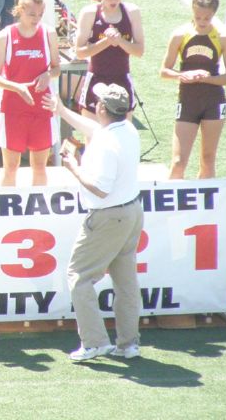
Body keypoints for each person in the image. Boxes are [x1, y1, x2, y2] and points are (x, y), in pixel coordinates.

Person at [44, 83, 144, 362]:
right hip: (132, 212)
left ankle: (95, 342)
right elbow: (92, 129)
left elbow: (100, 188)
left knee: (79, 277)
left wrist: (73, 166)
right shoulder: (128, 130)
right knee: (125, 283)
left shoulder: (105, 143)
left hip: (107, 217)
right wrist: (61, 111)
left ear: (101, 108)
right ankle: (128, 344)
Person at [160, 0, 226, 179]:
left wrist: (204, 78)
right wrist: (185, 75)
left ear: (214, 14)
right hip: (188, 102)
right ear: (192, 11)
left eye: (207, 18)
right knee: (178, 162)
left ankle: (206, 207)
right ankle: (173, 207)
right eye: (198, 17)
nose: (202, 22)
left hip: (214, 102)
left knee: (208, 159)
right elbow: (164, 71)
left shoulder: (223, 37)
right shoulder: (180, 34)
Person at [0, 0, 60, 186]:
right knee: (11, 169)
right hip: (13, 108)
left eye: (40, 14)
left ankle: (39, 213)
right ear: (19, 11)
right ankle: (7, 213)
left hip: (41, 107)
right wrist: (18, 88)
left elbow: (56, 68)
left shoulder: (49, 34)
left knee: (39, 167)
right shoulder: (5, 36)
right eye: (31, 14)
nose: (36, 19)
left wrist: (48, 74)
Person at [75, 0, 144, 131]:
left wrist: (119, 40)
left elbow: (139, 51)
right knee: (93, 135)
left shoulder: (131, 12)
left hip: (122, 79)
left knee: (122, 134)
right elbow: (80, 52)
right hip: (96, 79)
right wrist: (106, 42)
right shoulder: (90, 13)